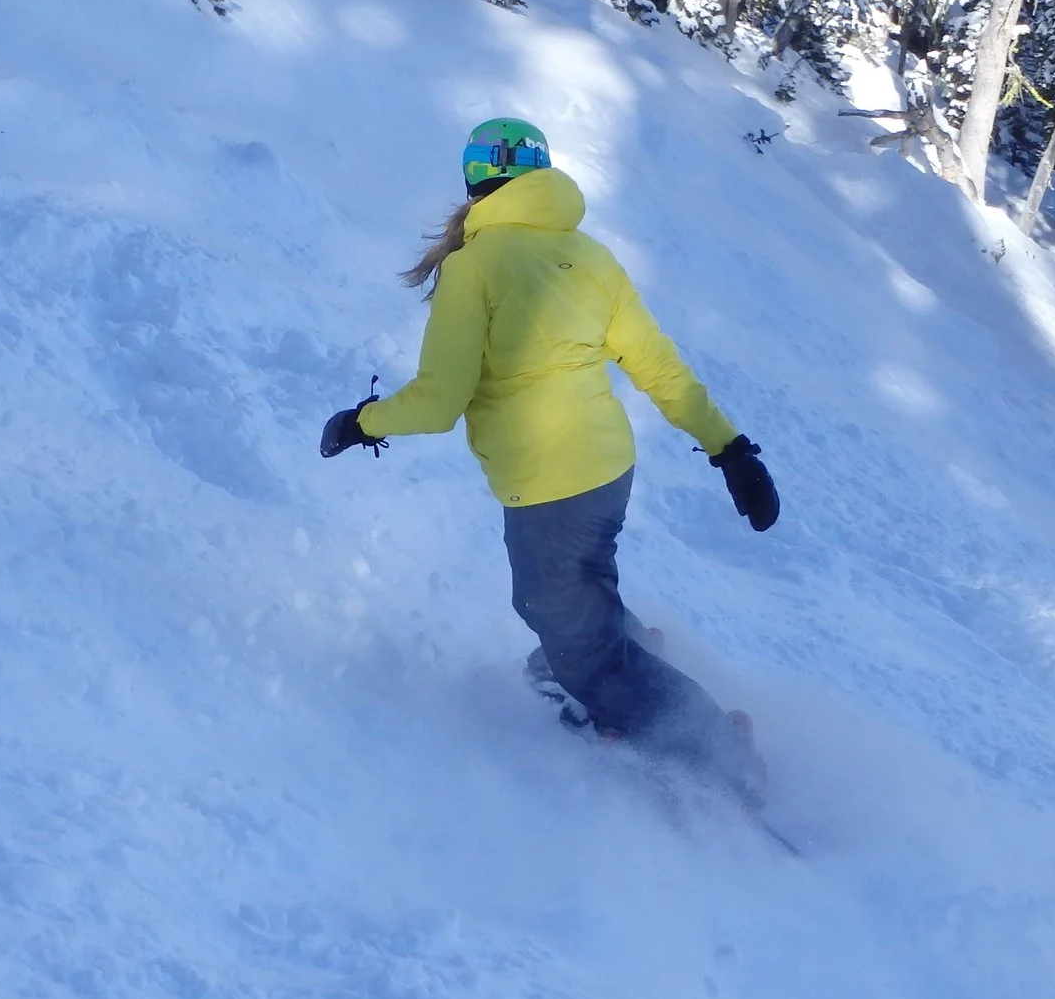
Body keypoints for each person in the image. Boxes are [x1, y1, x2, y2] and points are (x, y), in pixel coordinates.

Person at [319, 118, 782, 806]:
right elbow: (659, 367)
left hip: (548, 482)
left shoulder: (473, 265)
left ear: (478, 179)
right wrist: (730, 447)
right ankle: (618, 650)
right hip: (605, 469)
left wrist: (361, 421)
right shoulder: (590, 257)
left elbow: (441, 399)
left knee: (561, 621)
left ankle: (711, 744)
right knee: (572, 586)